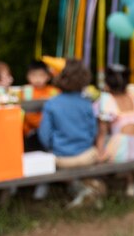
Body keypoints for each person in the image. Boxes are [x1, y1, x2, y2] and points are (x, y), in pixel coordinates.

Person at [38, 59, 102, 206]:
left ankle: (81, 190)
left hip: (62, 158)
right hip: (87, 156)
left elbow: (44, 137)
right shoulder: (87, 103)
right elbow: (94, 131)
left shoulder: (51, 104)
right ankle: (87, 188)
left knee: (54, 161)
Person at [94, 65, 134, 197]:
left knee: (109, 144)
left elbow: (102, 133)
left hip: (120, 149)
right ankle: (133, 183)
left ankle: (103, 186)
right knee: (128, 145)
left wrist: (100, 154)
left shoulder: (106, 101)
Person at [21, 60, 60, 141]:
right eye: (34, 75)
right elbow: (29, 115)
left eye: (41, 75)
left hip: (51, 130)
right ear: (28, 76)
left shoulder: (53, 91)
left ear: (48, 76)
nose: (37, 79)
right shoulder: (26, 91)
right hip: (31, 132)